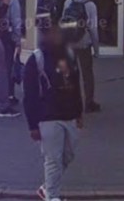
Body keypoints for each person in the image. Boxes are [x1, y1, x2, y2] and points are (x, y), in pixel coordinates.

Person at [24, 22, 83, 201]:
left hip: (70, 114)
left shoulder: (70, 55)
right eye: (52, 33)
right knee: (53, 159)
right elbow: (30, 94)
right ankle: (53, 196)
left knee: (68, 155)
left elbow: (76, 85)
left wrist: (80, 112)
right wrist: (33, 125)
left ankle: (46, 188)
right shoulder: (37, 59)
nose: (56, 36)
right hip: (48, 116)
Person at [65, 0, 101, 113]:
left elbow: (63, 21)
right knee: (87, 73)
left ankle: (71, 101)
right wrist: (96, 49)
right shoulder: (90, 5)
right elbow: (93, 28)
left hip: (69, 42)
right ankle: (89, 102)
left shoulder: (68, 1)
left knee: (71, 73)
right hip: (84, 42)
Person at [0, 0, 23, 109]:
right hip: (6, 37)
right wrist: (18, 39)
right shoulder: (12, 0)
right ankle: (8, 96)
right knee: (7, 66)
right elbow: (16, 21)